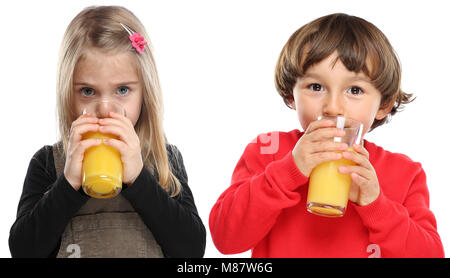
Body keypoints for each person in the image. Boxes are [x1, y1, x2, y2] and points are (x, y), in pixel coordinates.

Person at [209, 13, 444, 258]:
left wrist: (377, 205)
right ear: (292, 94)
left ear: (384, 105)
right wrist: (287, 172)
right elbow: (225, 239)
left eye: (355, 90)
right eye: (316, 87)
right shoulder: (268, 150)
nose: (333, 107)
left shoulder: (405, 173)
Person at [9, 5, 205, 258]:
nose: (103, 109)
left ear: (145, 93)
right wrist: (68, 184)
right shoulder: (48, 163)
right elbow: (23, 251)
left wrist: (139, 178)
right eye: (87, 91)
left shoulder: (164, 159)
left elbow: (192, 250)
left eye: (122, 90)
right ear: (67, 93)